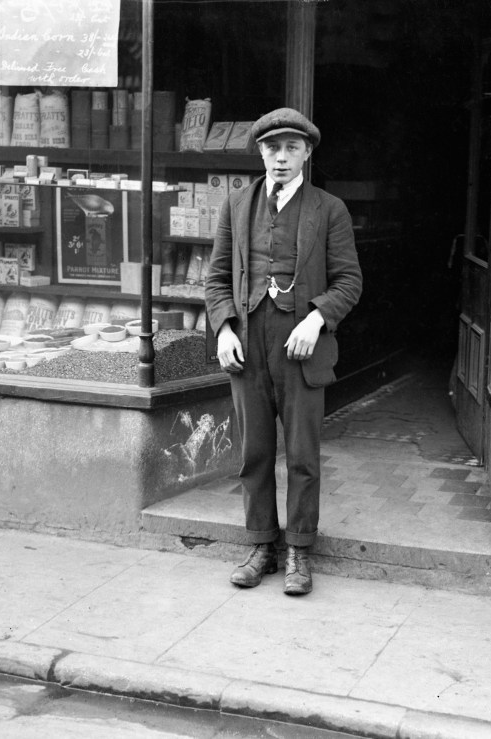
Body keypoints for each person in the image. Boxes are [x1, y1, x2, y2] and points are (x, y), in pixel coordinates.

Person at [206, 107, 362, 595]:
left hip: (301, 344)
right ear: (260, 152)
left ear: (307, 153)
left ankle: (298, 550)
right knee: (254, 451)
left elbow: (350, 280)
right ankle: (260, 546)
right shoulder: (236, 205)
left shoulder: (329, 209)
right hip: (248, 341)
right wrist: (224, 329)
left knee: (301, 455)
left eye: (292, 148)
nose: (281, 157)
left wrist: (316, 318)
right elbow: (215, 278)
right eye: (272, 148)